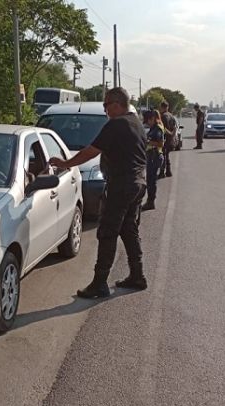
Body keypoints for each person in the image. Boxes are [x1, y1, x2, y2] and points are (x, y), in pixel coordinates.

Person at [49, 87, 148, 298]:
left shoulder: (117, 124)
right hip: (138, 184)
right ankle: (137, 275)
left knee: (107, 232)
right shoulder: (136, 123)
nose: (105, 110)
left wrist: (66, 163)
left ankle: (99, 283)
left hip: (122, 186)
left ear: (117, 104)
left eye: (106, 105)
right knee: (129, 229)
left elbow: (90, 152)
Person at [143, 110, 164, 211]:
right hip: (151, 156)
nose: (147, 123)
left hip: (154, 157)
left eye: (148, 121)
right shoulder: (153, 128)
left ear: (152, 119)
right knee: (149, 180)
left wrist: (148, 142)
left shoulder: (158, 129)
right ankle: (150, 200)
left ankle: (151, 201)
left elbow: (160, 143)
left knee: (151, 181)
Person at [159, 101, 176, 178]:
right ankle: (168, 171)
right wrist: (173, 135)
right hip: (171, 139)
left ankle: (162, 172)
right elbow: (175, 127)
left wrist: (170, 134)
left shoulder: (163, 116)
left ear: (162, 107)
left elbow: (164, 128)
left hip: (165, 138)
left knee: (163, 155)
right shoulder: (171, 116)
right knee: (167, 155)